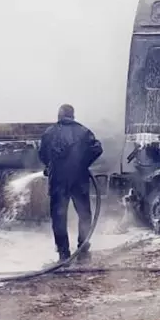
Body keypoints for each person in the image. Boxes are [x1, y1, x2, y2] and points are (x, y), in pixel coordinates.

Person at [39, 104, 103, 264]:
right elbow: (97, 149)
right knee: (84, 214)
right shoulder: (84, 131)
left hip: (58, 180)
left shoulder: (49, 132)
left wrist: (51, 165)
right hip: (79, 179)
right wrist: (83, 163)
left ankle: (63, 254)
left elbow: (41, 153)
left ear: (59, 115)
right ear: (73, 115)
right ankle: (83, 248)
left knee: (59, 217)